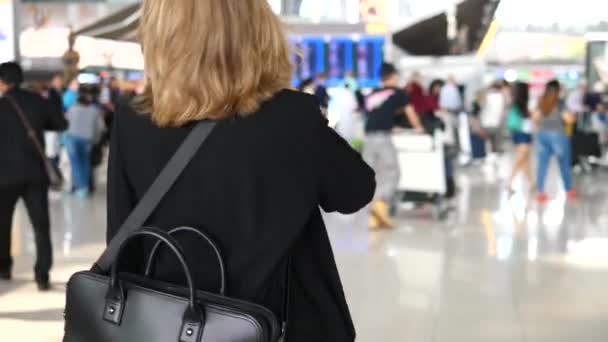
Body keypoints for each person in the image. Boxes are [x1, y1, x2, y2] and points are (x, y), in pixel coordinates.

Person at [107, 1, 375, 341]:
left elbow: (121, 231)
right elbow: (355, 191)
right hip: (280, 322)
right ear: (257, 32)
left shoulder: (132, 118)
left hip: (164, 322)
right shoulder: (291, 114)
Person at [0, 62, 68, 290]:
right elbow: (61, 123)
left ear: (2, 81)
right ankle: (42, 275)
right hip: (35, 175)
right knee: (40, 225)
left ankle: (4, 267)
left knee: (2, 224)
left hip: (4, 176)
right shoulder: (38, 101)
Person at [363, 62, 423, 230]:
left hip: (368, 136)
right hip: (382, 136)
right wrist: (419, 127)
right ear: (393, 76)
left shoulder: (373, 93)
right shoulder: (399, 92)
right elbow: (410, 112)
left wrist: (391, 122)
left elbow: (375, 113)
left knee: (371, 175)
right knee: (393, 172)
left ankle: (374, 218)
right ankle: (380, 203)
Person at [533, 80, 577, 202]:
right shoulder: (559, 103)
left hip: (542, 134)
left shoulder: (541, 102)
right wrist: (573, 116)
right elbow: (568, 120)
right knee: (563, 164)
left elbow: (535, 118)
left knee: (542, 165)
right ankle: (568, 190)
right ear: (558, 90)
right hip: (558, 135)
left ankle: (541, 192)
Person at [64, 87, 103, 198]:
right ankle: (84, 187)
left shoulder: (72, 109)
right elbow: (99, 127)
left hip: (72, 138)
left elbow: (66, 123)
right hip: (87, 139)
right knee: (85, 163)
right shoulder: (95, 111)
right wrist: (96, 139)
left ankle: (80, 187)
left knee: (75, 164)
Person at [507, 82, 535, 194]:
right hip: (521, 134)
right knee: (520, 159)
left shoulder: (521, 104)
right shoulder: (518, 105)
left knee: (525, 160)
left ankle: (532, 183)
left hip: (524, 134)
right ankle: (509, 182)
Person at [480, 81, 508, 154]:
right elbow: (503, 111)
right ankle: (495, 154)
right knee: (496, 142)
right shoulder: (501, 97)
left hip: (486, 123)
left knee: (487, 142)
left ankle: (490, 155)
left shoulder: (487, 96)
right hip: (496, 123)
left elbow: (482, 108)